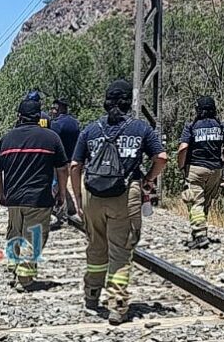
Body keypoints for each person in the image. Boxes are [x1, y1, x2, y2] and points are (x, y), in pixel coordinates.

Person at [71, 80, 167, 325]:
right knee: (120, 251)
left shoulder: (91, 130)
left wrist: (78, 198)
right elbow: (162, 158)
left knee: (96, 245)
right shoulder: (140, 128)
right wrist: (148, 180)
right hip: (125, 195)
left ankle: (92, 295)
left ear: (106, 101)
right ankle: (117, 305)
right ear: (128, 102)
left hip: (92, 194)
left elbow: (75, 166)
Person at [0, 99, 69, 293]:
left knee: (15, 232)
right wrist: (61, 192)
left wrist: (1, 194)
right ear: (38, 117)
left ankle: (13, 266)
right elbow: (62, 169)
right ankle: (25, 278)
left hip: (14, 198)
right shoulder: (51, 138)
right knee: (33, 237)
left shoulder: (6, 139)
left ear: (19, 116)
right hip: (39, 198)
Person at [177, 96, 224, 249]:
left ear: (198, 110)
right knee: (205, 202)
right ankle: (199, 234)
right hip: (216, 169)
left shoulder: (191, 126)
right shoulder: (222, 126)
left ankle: (199, 235)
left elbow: (183, 148)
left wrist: (182, 166)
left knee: (194, 202)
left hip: (196, 168)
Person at [50, 97, 81, 226]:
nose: (53, 110)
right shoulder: (75, 123)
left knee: (56, 186)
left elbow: (53, 142)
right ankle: (71, 210)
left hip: (60, 161)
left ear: (60, 108)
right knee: (68, 186)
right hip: (73, 159)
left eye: (55, 108)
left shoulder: (56, 124)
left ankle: (55, 212)